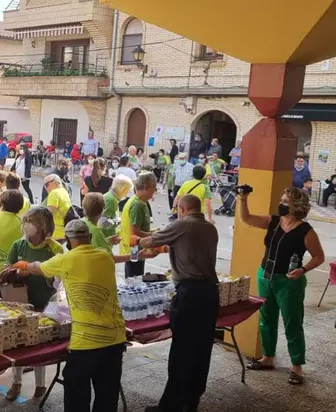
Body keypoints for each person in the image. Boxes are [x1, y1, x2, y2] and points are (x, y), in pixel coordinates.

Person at [14, 220, 126, 412]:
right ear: (90, 237)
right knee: (107, 395)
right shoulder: (105, 256)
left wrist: (24, 264)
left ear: (67, 239)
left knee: (76, 392)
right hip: (115, 338)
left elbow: (37, 268)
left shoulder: (66, 260)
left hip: (86, 341)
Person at [139, 195, 219, 412]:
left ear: (182, 209)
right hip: (210, 293)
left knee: (182, 350)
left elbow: (149, 241)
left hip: (190, 294)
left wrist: (136, 240)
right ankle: (192, 399)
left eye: (177, 210)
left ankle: (171, 406)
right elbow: (186, 246)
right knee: (201, 349)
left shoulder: (182, 225)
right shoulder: (210, 228)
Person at [240, 187, 325, 385]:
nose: (281, 204)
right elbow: (247, 219)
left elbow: (318, 257)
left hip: (289, 282)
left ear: (297, 206)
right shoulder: (274, 221)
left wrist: (303, 269)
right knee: (266, 319)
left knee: (292, 322)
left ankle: (297, 366)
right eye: (281, 200)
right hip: (265, 276)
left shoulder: (306, 231)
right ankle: (268, 357)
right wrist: (243, 199)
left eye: (286, 201)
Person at [3, 207, 63, 400]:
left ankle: (40, 385)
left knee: (39, 344)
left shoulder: (54, 248)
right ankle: (16, 382)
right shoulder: (18, 245)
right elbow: (6, 269)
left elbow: (61, 276)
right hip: (19, 303)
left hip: (45, 302)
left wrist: (44, 273)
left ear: (44, 225)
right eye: (26, 220)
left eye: (33, 221)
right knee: (18, 343)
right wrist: (18, 273)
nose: (27, 224)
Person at [120, 173, 157, 277]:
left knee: (135, 277)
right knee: (134, 279)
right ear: (146, 187)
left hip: (136, 249)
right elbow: (135, 232)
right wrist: (153, 235)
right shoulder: (137, 205)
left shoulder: (140, 202)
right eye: (154, 187)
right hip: (134, 250)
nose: (155, 190)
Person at [43, 174, 72, 241]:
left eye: (46, 185)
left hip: (56, 232)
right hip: (64, 229)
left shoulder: (54, 193)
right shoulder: (64, 191)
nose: (45, 188)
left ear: (55, 182)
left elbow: (48, 215)